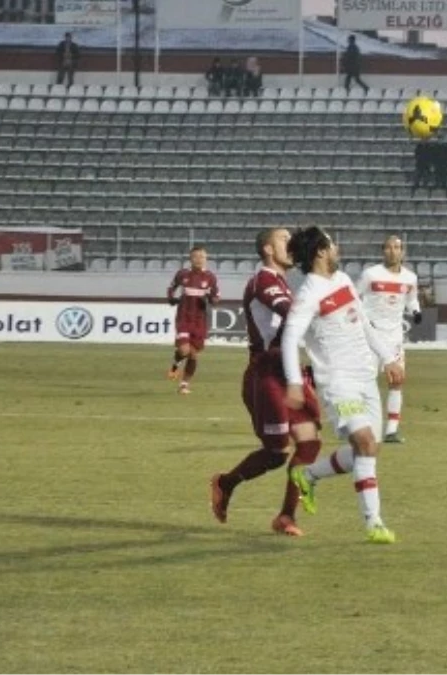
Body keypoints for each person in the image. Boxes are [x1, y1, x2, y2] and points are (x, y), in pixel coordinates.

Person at [283, 227, 405, 544]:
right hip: (338, 383)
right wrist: (295, 382)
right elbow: (290, 337)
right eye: (332, 244)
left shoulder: (344, 281)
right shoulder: (309, 293)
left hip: (366, 377)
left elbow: (364, 323)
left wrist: (389, 358)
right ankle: (374, 523)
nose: (338, 248)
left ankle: (307, 475)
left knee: (367, 450)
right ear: (321, 252)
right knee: (365, 443)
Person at [209, 228, 324, 538]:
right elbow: (293, 314)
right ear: (268, 249)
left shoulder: (284, 283)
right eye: (284, 239)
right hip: (266, 375)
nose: (291, 244)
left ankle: (286, 516)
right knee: (276, 453)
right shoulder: (262, 280)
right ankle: (225, 482)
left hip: (289, 374)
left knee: (310, 443)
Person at [356, 235, 422, 444]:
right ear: (382, 251)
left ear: (403, 252)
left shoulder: (410, 278)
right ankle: (355, 426)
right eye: (388, 247)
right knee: (364, 382)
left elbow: (411, 298)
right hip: (371, 335)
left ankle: (391, 431)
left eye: (397, 247)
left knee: (397, 381)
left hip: (394, 337)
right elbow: (355, 297)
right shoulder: (371, 274)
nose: (392, 251)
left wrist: (416, 311)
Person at [165, 246, 220, 395]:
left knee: (193, 354)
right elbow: (171, 287)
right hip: (183, 317)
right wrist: (170, 298)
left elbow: (216, 298)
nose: (199, 259)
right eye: (196, 256)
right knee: (184, 349)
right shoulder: (183, 274)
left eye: (202, 256)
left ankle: (184, 384)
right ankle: (176, 364)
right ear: (190, 258)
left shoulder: (210, 277)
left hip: (200, 320)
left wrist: (209, 299)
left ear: (206, 259)